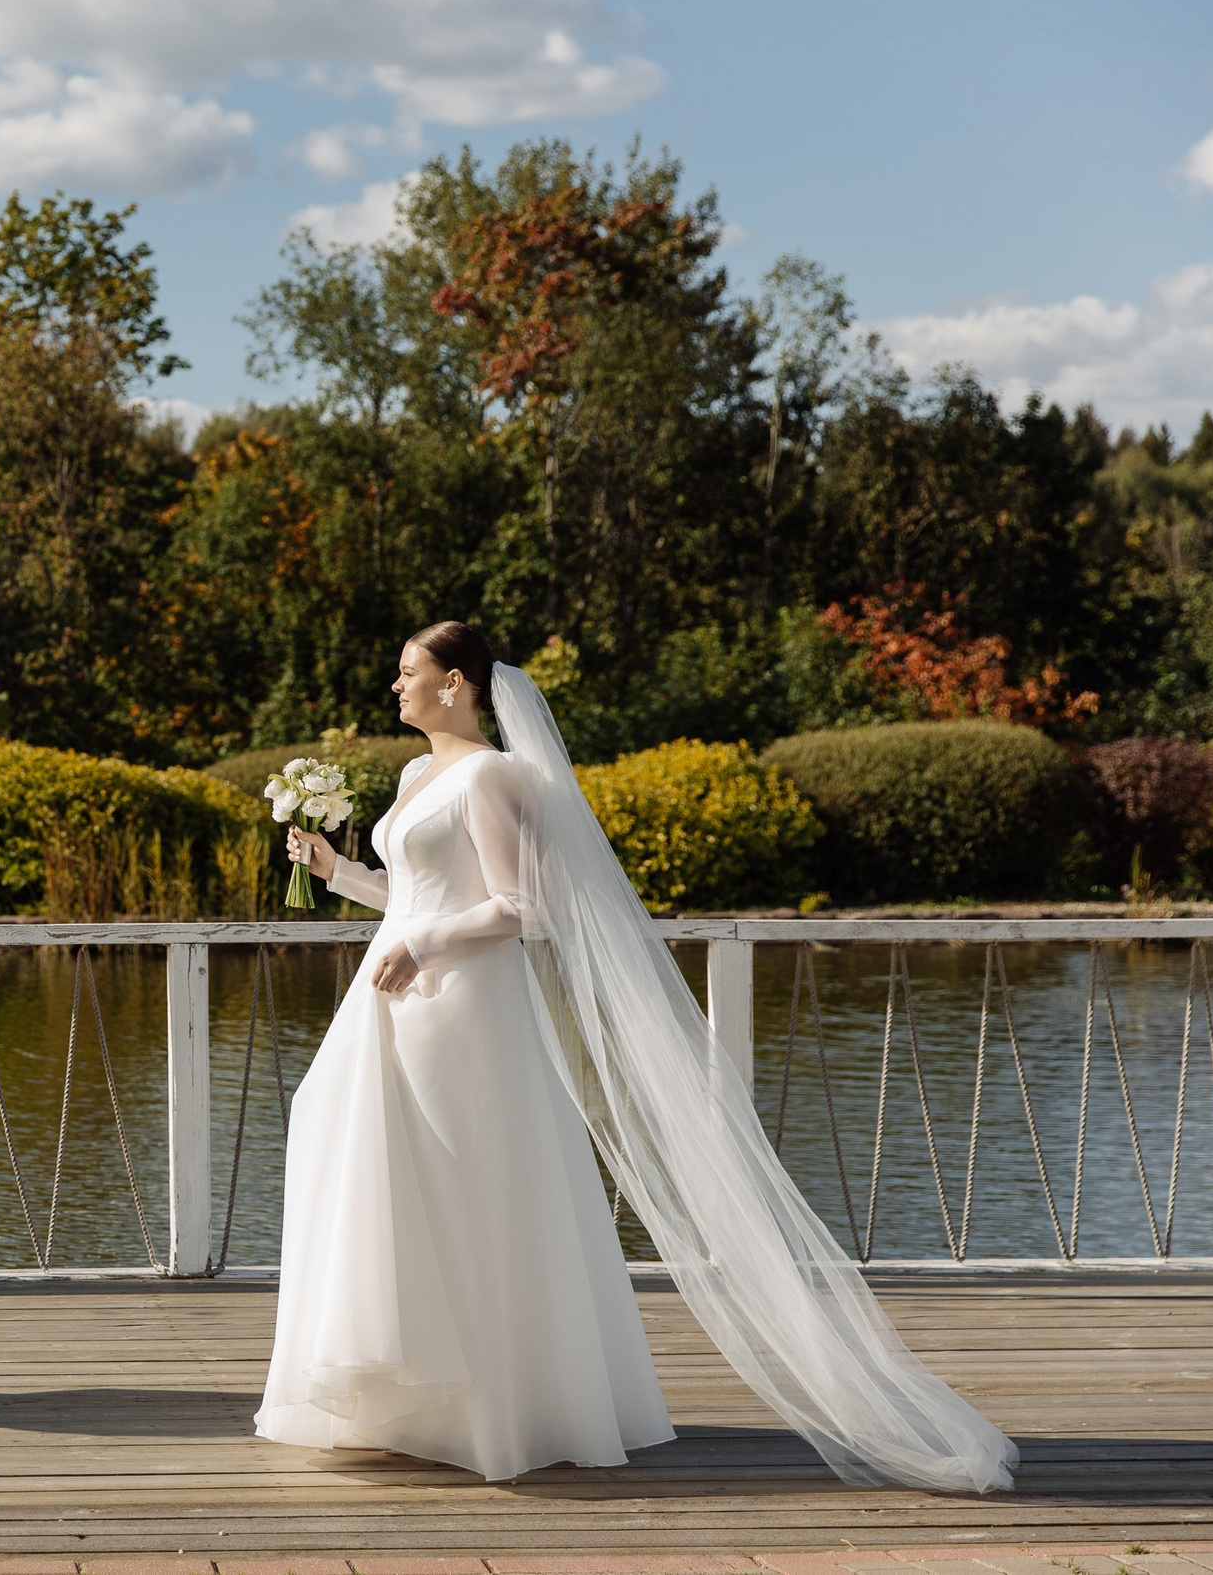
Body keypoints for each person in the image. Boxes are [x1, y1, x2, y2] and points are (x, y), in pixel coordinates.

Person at [257, 621, 1016, 1492]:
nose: (395, 686)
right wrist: (337, 872)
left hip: (461, 1009)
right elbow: (419, 891)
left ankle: (497, 1407)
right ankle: (407, 1393)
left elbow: (523, 905)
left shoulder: (494, 777)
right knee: (378, 1173)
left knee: (469, 1187)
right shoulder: (412, 775)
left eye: (408, 672)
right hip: (393, 1002)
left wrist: (426, 942)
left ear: (457, 681)